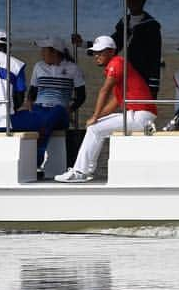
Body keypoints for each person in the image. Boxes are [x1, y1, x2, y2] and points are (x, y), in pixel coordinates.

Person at [55, 36, 157, 183]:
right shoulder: (120, 68)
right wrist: (95, 117)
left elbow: (104, 90)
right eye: (94, 53)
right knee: (95, 127)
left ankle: (81, 172)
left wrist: (95, 117)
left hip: (140, 115)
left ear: (111, 51)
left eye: (100, 52)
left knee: (95, 128)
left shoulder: (116, 63)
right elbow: (114, 102)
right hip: (141, 115)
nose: (96, 56)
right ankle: (85, 171)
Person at [73, 0, 163, 98]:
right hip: (129, 75)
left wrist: (153, 87)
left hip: (144, 76)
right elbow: (113, 44)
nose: (133, 2)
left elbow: (155, 58)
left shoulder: (152, 26)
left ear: (144, 1)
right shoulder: (124, 22)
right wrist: (83, 44)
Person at [10, 36, 87, 168]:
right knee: (11, 120)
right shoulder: (39, 66)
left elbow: (81, 96)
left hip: (59, 111)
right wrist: (28, 102)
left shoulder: (73, 69)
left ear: (55, 52)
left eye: (44, 50)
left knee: (54, 113)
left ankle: (37, 159)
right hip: (40, 109)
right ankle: (15, 158)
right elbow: (33, 91)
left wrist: (70, 109)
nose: (41, 53)